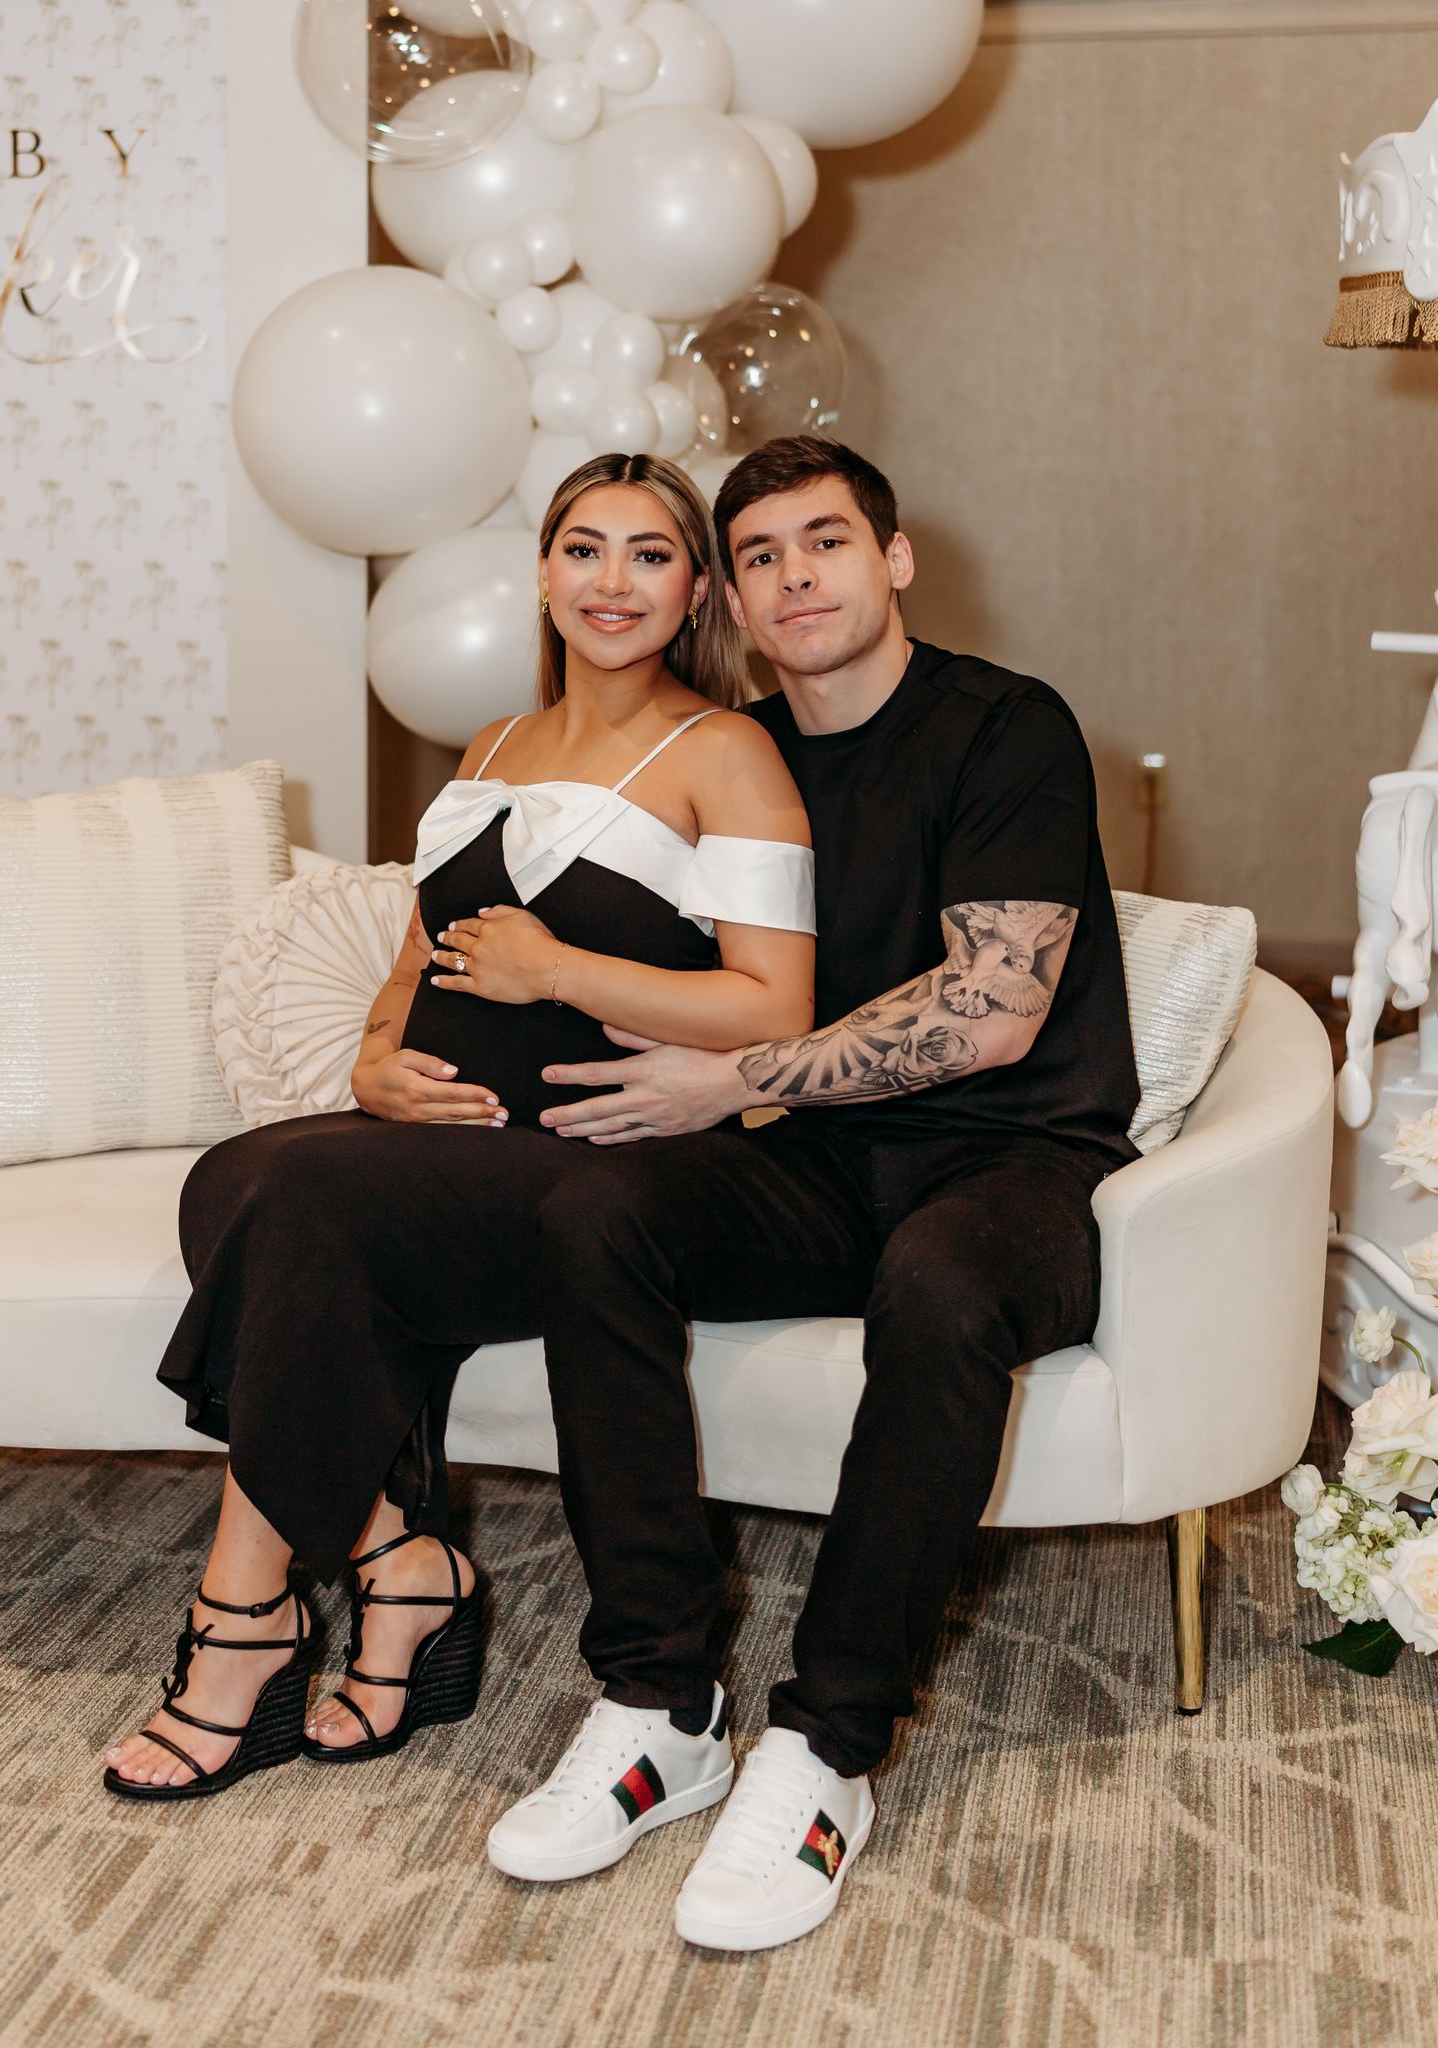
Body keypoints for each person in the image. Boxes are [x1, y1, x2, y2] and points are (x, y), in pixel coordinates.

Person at [485, 433, 1141, 1957]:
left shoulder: (1004, 727)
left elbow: (992, 1007)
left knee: (945, 1285)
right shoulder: (741, 754)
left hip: (1010, 1157)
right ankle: (660, 1699)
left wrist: (747, 1080)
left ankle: (829, 1744)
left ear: (894, 559)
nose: (798, 577)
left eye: (828, 542)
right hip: (817, 1167)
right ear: (734, 589)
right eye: (764, 553)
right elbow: (684, 982)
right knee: (596, 1217)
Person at [101, 451, 816, 1800]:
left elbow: (775, 1002)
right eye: (584, 550)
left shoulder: (727, 752)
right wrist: (374, 1063)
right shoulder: (492, 748)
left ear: (699, 585)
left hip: (592, 1161)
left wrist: (561, 975)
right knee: (234, 1182)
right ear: (541, 575)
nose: (613, 582)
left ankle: (241, 1627)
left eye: (651, 554)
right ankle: (399, 1560)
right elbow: (418, 961)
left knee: (304, 1204)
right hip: (444, 1146)